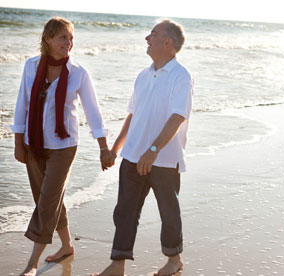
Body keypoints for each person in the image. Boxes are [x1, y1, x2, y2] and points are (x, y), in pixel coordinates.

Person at [10, 17, 112, 276]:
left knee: (47, 202)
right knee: (48, 199)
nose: (69, 43)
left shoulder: (78, 72)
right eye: (63, 37)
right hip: (34, 144)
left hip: (64, 145)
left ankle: (32, 263)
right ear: (48, 39)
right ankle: (67, 246)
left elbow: (93, 112)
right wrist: (18, 143)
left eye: (71, 38)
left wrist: (103, 147)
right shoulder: (31, 67)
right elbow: (22, 105)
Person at [91, 19, 193, 276]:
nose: (147, 38)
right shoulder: (143, 75)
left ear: (167, 42)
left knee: (169, 212)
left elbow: (177, 116)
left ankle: (174, 260)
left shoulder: (181, 76)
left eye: (153, 34)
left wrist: (154, 150)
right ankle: (118, 265)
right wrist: (115, 149)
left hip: (164, 159)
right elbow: (132, 116)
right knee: (125, 212)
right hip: (133, 156)